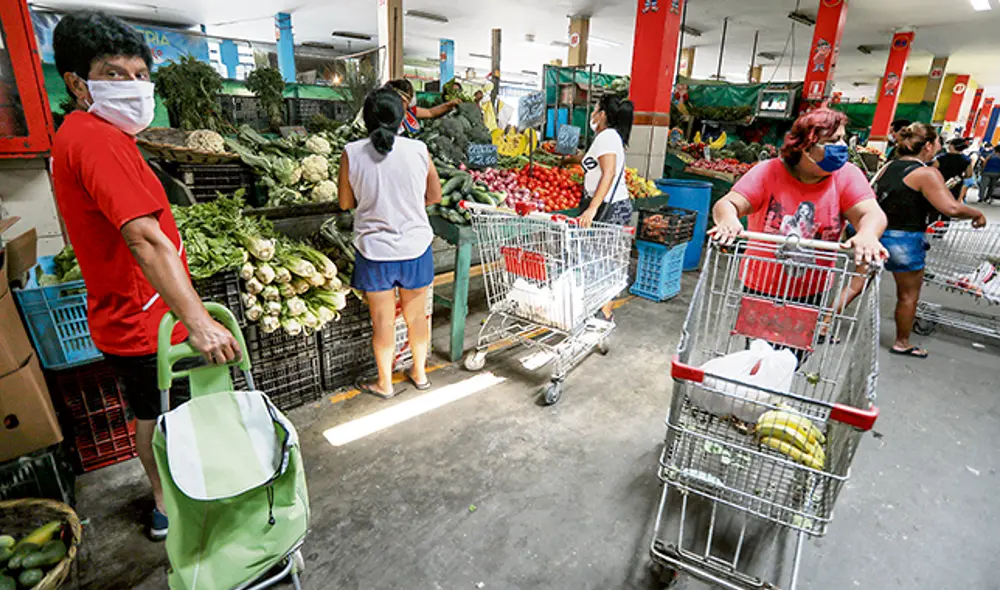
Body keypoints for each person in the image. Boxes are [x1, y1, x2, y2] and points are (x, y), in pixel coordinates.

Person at [50, 12, 240, 541]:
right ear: (77, 83)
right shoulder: (94, 139)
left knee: (163, 412)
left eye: (139, 75)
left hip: (140, 311)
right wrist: (197, 320)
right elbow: (144, 239)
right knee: (159, 415)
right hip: (142, 321)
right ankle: (167, 505)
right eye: (115, 74)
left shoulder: (99, 135)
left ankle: (178, 492)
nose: (133, 87)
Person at [711, 109, 888, 344]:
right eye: (834, 141)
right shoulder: (769, 171)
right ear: (805, 147)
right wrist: (728, 219)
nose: (843, 146)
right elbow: (728, 203)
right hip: (761, 285)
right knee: (758, 350)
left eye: (844, 138)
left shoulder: (846, 176)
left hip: (811, 290)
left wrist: (867, 233)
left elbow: (871, 213)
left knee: (795, 354)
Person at [338, 88, 441, 399]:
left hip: (375, 252)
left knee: (382, 322)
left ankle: (385, 384)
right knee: (416, 316)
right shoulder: (420, 150)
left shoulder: (351, 152)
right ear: (401, 118)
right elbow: (435, 196)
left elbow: (345, 203)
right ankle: (420, 374)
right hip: (415, 248)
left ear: (366, 119)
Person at [873, 123, 987, 358]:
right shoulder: (925, 173)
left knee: (855, 285)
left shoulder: (889, 166)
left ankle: (823, 324)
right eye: (937, 144)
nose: (938, 148)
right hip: (905, 240)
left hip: (876, 233)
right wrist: (976, 213)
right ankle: (902, 342)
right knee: (907, 295)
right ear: (927, 145)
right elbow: (951, 208)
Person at [563, 94, 635, 322]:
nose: (592, 114)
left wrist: (592, 208)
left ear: (602, 114)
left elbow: (609, 172)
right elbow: (595, 163)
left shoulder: (607, 137)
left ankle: (604, 313)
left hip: (609, 207)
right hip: (614, 205)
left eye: (595, 109)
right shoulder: (609, 137)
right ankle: (602, 310)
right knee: (603, 258)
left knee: (602, 260)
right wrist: (571, 160)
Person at [384, 78, 461, 134]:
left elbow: (430, 112)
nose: (412, 97)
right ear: (402, 98)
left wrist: (449, 104)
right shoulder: (387, 118)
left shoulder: (409, 112)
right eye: (410, 94)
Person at [933, 137, 973, 205]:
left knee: (936, 203)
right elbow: (969, 174)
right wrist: (961, 177)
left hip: (940, 182)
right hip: (955, 184)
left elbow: (933, 169)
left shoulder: (941, 158)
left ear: (952, 146)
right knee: (951, 203)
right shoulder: (966, 160)